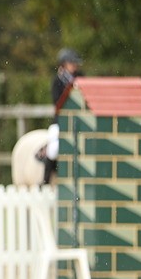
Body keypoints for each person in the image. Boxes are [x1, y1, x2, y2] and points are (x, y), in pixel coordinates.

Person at [42, 47, 83, 185]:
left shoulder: (80, 78)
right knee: (53, 150)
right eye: (72, 63)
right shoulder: (57, 81)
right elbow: (57, 102)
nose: (75, 66)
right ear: (63, 64)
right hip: (61, 120)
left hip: (79, 119)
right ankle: (45, 180)